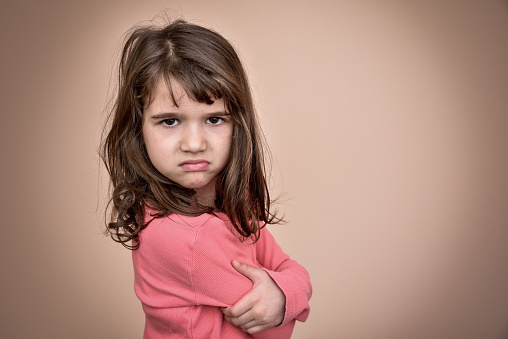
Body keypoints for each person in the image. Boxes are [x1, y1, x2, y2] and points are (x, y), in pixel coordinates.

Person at [101, 18, 312, 338]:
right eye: (170, 121)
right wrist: (289, 292)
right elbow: (273, 330)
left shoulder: (225, 206)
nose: (195, 143)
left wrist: (284, 290)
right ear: (138, 130)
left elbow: (288, 270)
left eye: (214, 119)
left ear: (237, 126)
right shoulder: (187, 237)